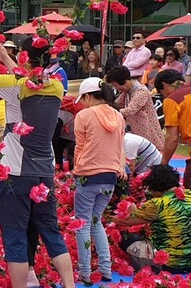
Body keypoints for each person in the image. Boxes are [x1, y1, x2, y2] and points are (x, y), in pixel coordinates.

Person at [0, 37, 76, 288]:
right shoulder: (56, 86)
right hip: (44, 171)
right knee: (51, 232)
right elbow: (28, 76)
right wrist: (4, 55)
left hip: (15, 173)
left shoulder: (16, 86)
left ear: (24, 55)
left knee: (15, 238)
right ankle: (70, 285)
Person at [72, 77, 126, 284]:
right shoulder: (118, 115)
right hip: (110, 176)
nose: (82, 103)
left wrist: (77, 169)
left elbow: (79, 147)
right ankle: (106, 268)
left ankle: (85, 272)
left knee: (83, 224)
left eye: (83, 99)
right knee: (97, 221)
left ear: (88, 96)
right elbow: (120, 147)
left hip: (88, 174)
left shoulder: (84, 115)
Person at [113, 164, 191, 273]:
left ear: (155, 187)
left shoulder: (157, 204)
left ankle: (151, 265)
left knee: (124, 237)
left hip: (169, 264)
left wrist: (105, 216)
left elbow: (126, 220)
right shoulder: (189, 195)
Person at [106, 66, 164, 151]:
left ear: (124, 81)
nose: (116, 88)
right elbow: (117, 104)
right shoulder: (127, 91)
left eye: (115, 85)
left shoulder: (141, 92)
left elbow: (131, 110)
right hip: (135, 129)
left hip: (146, 130)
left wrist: (108, 112)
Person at [153, 70, 191, 187]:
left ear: (164, 85)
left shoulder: (172, 99)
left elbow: (172, 138)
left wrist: (163, 165)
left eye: (163, 93)